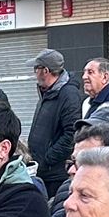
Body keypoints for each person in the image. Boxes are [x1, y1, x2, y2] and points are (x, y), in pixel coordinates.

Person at [26, 49, 83, 195]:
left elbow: (72, 134)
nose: (34, 73)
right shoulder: (48, 91)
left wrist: (47, 160)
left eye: (36, 69)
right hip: (42, 171)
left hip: (54, 176)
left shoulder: (68, 94)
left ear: (45, 70)